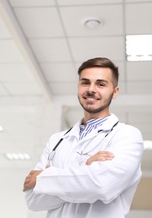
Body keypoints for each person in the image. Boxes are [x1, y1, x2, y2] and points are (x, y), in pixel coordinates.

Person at [23, 57, 143, 218]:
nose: (91, 89)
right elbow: (33, 200)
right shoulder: (56, 140)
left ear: (115, 92)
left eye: (101, 84)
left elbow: (101, 186)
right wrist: (85, 168)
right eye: (85, 82)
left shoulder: (127, 135)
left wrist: (43, 178)